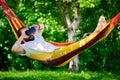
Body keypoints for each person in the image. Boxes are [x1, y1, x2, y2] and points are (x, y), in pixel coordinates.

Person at [11, 16, 106, 56]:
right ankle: (97, 32)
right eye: (26, 33)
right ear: (23, 39)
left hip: (59, 49)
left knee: (80, 41)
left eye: (28, 30)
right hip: (54, 55)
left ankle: (97, 32)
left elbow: (42, 27)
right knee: (80, 44)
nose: (29, 33)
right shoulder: (25, 47)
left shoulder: (37, 37)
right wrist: (22, 36)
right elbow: (14, 49)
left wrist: (37, 26)